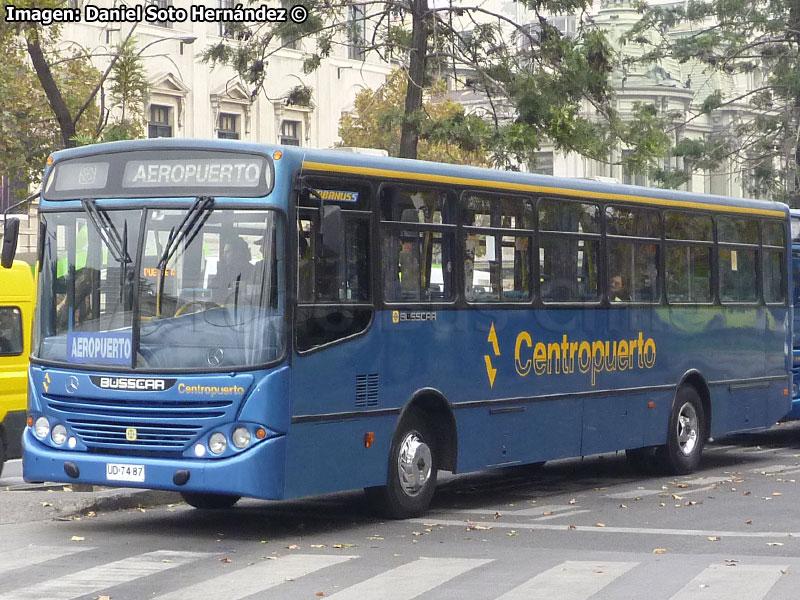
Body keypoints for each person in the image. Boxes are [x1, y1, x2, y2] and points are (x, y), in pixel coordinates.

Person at [212, 237, 252, 302]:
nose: (224, 255)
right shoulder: (223, 271)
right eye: (224, 252)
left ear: (239, 253)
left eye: (228, 252)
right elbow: (212, 289)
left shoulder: (253, 271)